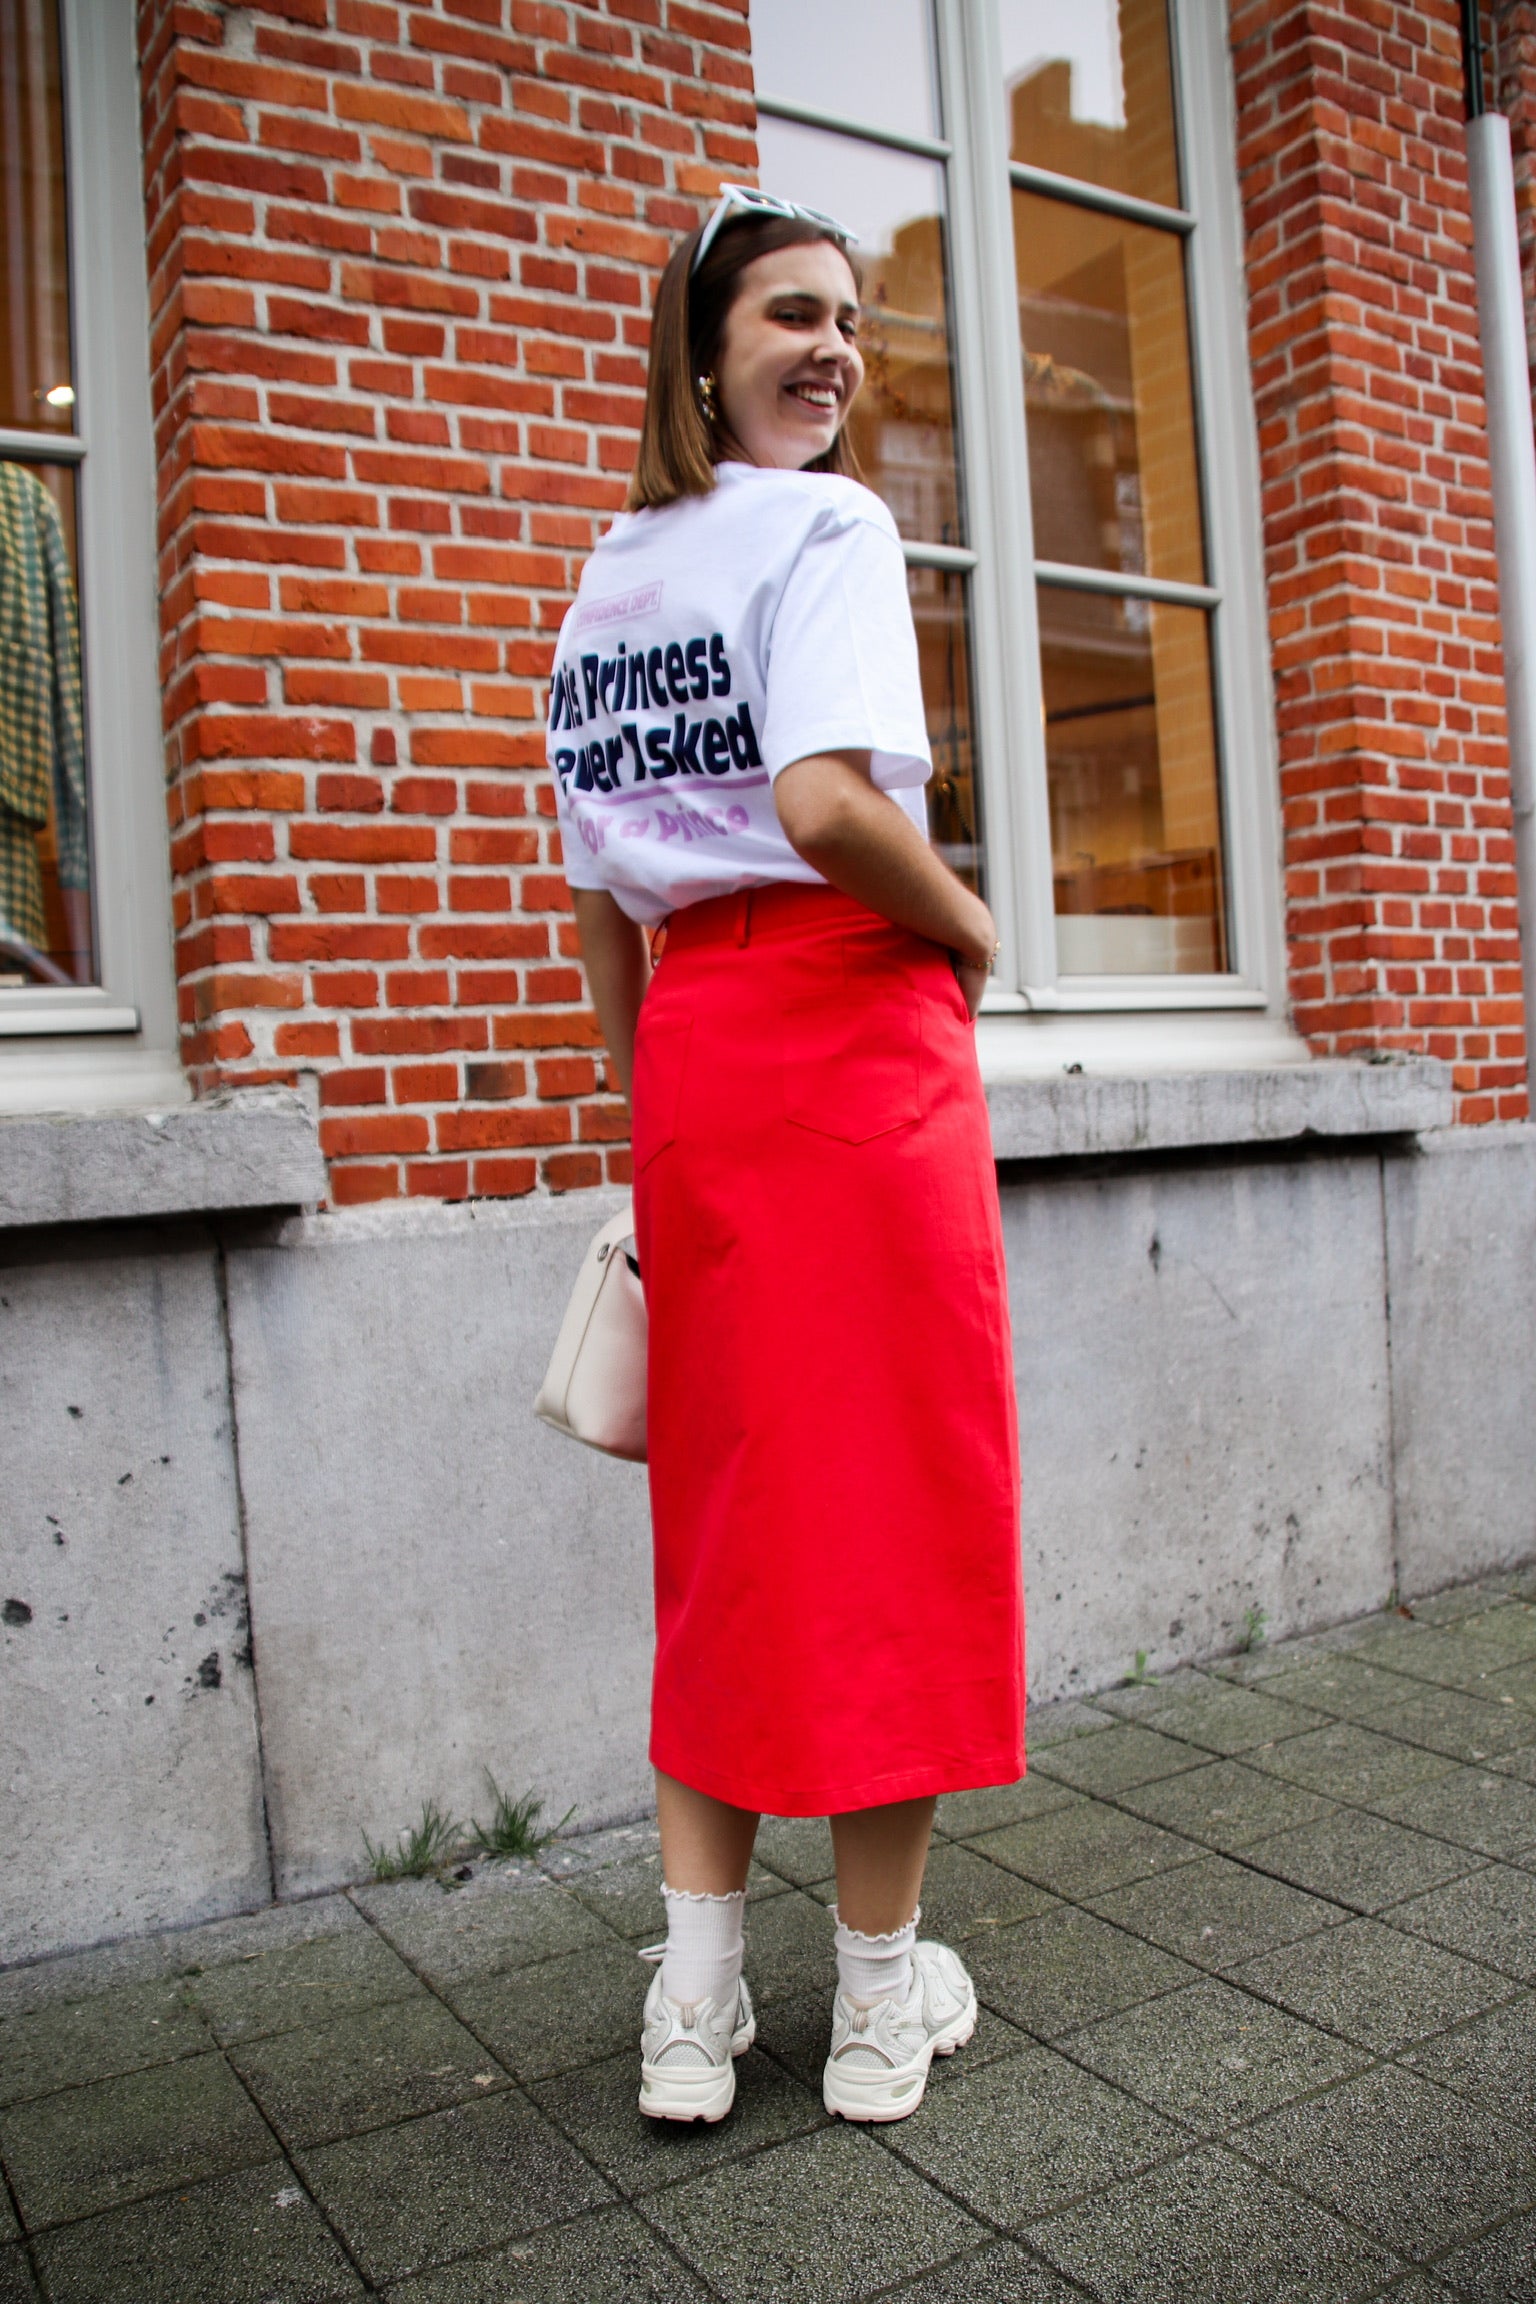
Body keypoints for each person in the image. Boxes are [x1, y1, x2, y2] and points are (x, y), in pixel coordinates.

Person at [547, 183, 1026, 2128]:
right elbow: (828, 800)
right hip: (847, 1041)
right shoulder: (831, 524)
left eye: (850, 320)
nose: (833, 349)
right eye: (790, 317)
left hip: (698, 1060)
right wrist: (971, 927)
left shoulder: (607, 577)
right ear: (704, 349)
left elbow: (599, 907)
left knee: (723, 1539)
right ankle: (886, 2003)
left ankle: (697, 2002)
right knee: (897, 1512)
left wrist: (648, 1110)